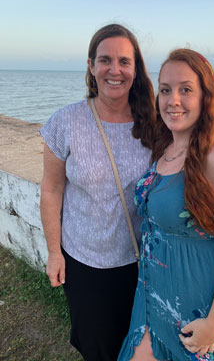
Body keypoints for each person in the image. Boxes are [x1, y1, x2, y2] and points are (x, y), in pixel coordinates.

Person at [118, 49, 214, 360]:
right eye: (166, 89)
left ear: (205, 97)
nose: (173, 100)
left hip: (203, 317)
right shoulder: (164, 148)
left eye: (186, 90)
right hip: (152, 301)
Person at [39, 24, 156, 361]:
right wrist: (54, 252)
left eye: (124, 61)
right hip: (83, 261)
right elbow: (51, 189)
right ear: (90, 66)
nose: (114, 70)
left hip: (139, 261)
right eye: (105, 60)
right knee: (97, 347)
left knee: (139, 348)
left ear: (135, 69)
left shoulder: (153, 123)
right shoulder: (65, 122)